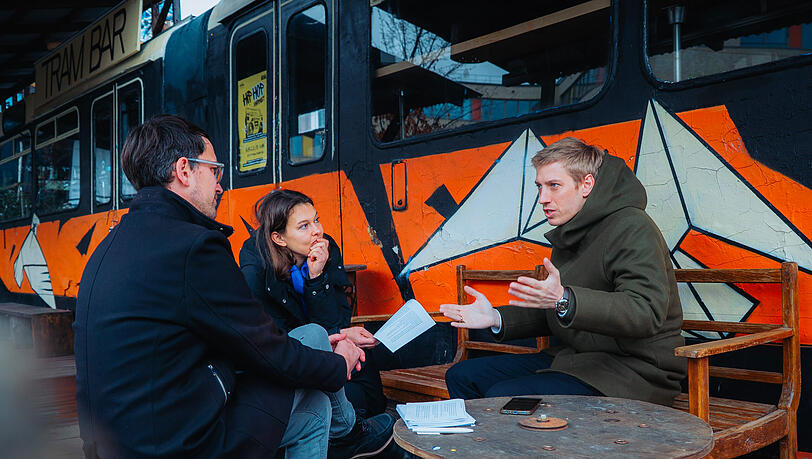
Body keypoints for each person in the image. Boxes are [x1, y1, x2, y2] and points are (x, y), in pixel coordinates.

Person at [73, 114, 394, 458]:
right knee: (314, 405)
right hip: (179, 443)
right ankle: (346, 435)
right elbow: (263, 349)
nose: (220, 185)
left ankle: (346, 433)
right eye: (214, 171)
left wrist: (318, 349)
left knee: (314, 337)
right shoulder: (193, 246)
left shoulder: (108, 246)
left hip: (121, 441)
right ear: (184, 170)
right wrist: (337, 365)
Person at [439, 137, 687, 406]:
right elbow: (555, 310)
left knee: (502, 395)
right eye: (540, 187)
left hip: (634, 371)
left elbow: (645, 312)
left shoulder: (632, 227)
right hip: (578, 359)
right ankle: (486, 447)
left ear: (586, 184)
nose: (543, 199)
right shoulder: (572, 229)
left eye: (554, 186)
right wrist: (496, 317)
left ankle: (512, 447)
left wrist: (565, 299)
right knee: (463, 376)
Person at [239, 190, 389, 417]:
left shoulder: (325, 250)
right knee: (355, 399)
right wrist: (338, 336)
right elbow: (277, 342)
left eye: (316, 220)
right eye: (304, 226)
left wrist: (316, 278)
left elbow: (335, 319)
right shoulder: (258, 270)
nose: (317, 231)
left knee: (368, 373)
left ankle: (373, 433)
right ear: (279, 238)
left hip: (324, 345)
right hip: (291, 365)